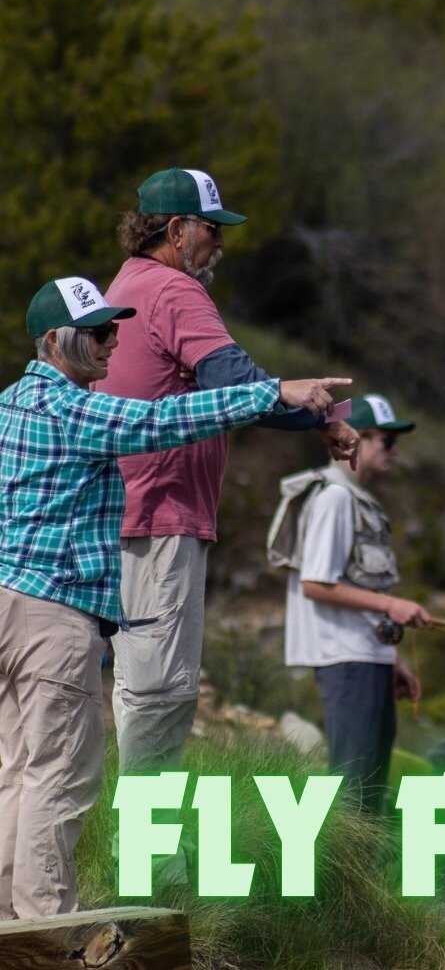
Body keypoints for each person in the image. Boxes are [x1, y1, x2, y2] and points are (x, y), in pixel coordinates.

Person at [0, 276, 348, 919]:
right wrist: (273, 392)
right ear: (55, 341)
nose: (114, 341)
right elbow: (162, 420)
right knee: (62, 775)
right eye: (100, 331)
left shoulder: (10, 405)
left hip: (9, 602)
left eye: (115, 327)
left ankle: (10, 923)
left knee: (18, 770)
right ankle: (49, 929)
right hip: (53, 613)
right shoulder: (70, 409)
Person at [99, 167, 360, 787]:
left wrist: (312, 419)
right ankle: (150, 873)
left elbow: (231, 390)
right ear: (175, 230)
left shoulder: (129, 283)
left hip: (120, 513)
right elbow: (234, 382)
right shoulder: (175, 289)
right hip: (161, 514)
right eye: (211, 230)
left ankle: (129, 858)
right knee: (160, 696)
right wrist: (318, 410)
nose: (220, 243)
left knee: (135, 691)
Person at [276, 394, 432, 813]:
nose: (395, 451)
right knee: (353, 789)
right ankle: (338, 876)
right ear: (357, 438)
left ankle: (362, 877)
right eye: (387, 440)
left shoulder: (358, 500)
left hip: (367, 656)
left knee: (370, 790)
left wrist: (391, 659)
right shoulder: (334, 499)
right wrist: (391, 606)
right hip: (343, 659)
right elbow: (316, 583)